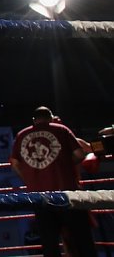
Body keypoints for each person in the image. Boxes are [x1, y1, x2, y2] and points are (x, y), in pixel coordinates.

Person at [8, 106, 96, 257]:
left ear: (34, 120)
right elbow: (81, 153)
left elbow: (15, 164)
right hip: (67, 194)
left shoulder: (22, 135)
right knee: (82, 240)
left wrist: (29, 180)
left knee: (49, 244)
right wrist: (66, 166)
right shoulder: (61, 130)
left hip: (40, 197)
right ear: (50, 118)